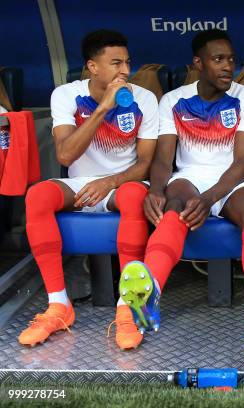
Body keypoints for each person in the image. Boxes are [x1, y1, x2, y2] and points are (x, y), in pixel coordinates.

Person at [119, 29, 244, 383]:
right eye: (218, 59)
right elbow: (163, 159)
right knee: (173, 203)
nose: (228, 67)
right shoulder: (174, 100)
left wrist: (209, 199)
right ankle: (148, 298)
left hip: (232, 181)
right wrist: (157, 190)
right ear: (198, 63)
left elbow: (243, 163)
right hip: (189, 177)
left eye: (231, 60)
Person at [18, 29, 159, 351]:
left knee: (135, 196)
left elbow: (147, 163)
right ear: (93, 67)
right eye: (116, 63)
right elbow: (65, 155)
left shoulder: (144, 98)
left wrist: (109, 182)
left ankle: (129, 307)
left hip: (125, 181)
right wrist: (102, 108)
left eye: (127, 62)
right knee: (37, 195)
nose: (125, 71)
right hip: (81, 183)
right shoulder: (67, 94)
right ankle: (59, 306)